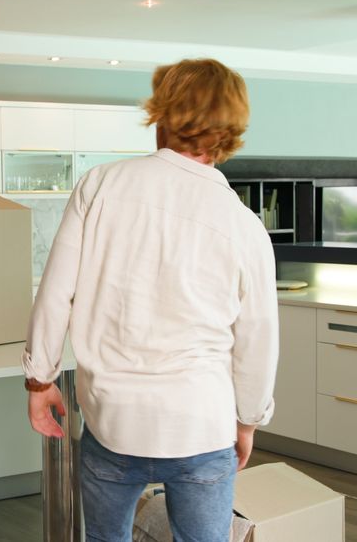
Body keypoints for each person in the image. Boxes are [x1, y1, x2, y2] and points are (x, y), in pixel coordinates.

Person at [23, 58, 278, 542]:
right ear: (231, 128)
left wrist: (40, 381)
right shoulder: (244, 224)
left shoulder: (101, 184)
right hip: (202, 423)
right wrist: (248, 421)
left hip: (113, 418)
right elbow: (257, 339)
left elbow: (56, 292)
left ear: (161, 112)